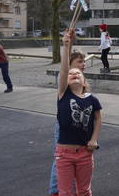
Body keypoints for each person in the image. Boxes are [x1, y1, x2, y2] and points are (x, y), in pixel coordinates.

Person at [55, 28, 102, 196]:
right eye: (71, 73)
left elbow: (98, 118)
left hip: (85, 153)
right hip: (64, 153)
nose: (74, 73)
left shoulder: (92, 99)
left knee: (84, 191)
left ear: (84, 81)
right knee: (65, 192)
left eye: (78, 73)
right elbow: (64, 70)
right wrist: (66, 46)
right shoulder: (63, 94)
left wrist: (94, 139)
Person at [48, 30, 86, 196]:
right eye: (80, 61)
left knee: (78, 163)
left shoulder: (81, 79)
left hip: (80, 128)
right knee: (61, 162)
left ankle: (74, 190)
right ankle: (55, 191)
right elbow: (64, 70)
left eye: (84, 61)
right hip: (64, 128)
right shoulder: (65, 78)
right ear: (70, 63)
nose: (83, 64)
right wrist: (67, 46)